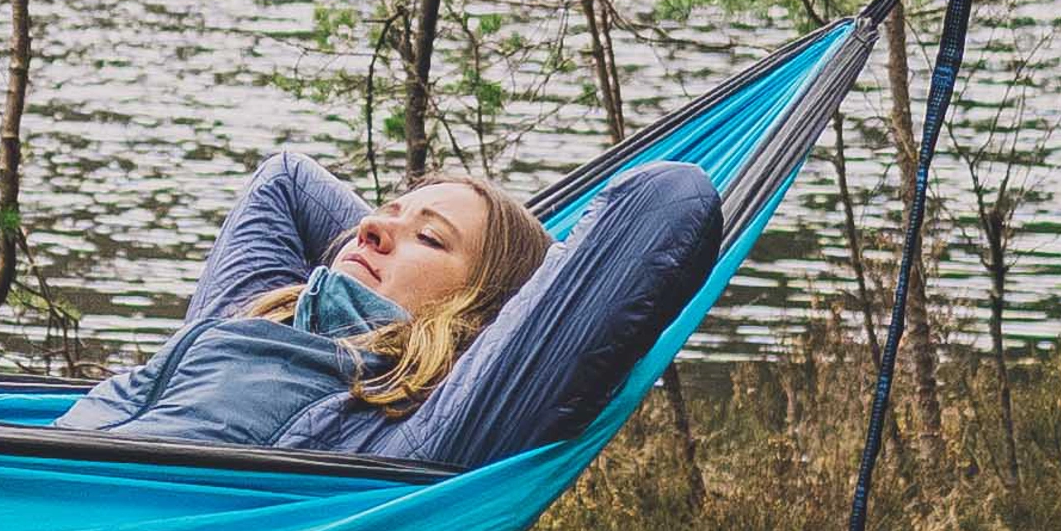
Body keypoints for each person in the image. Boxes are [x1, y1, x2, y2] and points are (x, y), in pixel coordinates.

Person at [56, 145, 722, 470]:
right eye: (384, 215)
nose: (372, 229)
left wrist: (515, 298)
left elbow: (669, 198)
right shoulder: (257, 312)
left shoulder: (406, 430)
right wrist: (398, 245)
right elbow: (287, 179)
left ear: (482, 315)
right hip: (12, 479)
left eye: (429, 238)